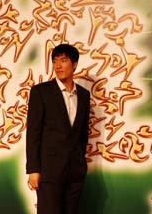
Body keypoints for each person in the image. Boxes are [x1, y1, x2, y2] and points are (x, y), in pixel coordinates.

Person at [26, 43, 90, 214]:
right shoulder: (40, 92)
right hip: (49, 171)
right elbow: (33, 133)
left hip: (75, 172)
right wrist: (33, 169)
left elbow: (83, 133)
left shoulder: (84, 95)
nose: (58, 66)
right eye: (55, 61)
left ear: (74, 64)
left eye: (63, 60)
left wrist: (80, 162)